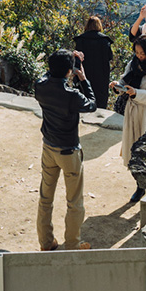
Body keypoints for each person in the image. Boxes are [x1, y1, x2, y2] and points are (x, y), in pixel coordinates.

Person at [35, 48, 96, 252]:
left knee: (45, 197)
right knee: (74, 201)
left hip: (48, 147)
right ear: (70, 71)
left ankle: (46, 242)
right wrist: (84, 78)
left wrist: (67, 59)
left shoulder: (40, 86)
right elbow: (92, 105)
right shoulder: (72, 95)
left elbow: (47, 74)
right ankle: (72, 244)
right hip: (69, 152)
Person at [111, 35, 146, 205]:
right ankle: (140, 185)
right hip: (132, 110)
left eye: (142, 53)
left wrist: (136, 93)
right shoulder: (133, 63)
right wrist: (117, 86)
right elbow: (124, 81)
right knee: (133, 148)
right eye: (136, 52)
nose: (139, 56)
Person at [74, 15, 113, 109]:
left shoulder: (80, 40)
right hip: (101, 76)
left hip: (84, 73)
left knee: (83, 95)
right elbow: (109, 57)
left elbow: (76, 60)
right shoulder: (105, 41)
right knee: (100, 100)